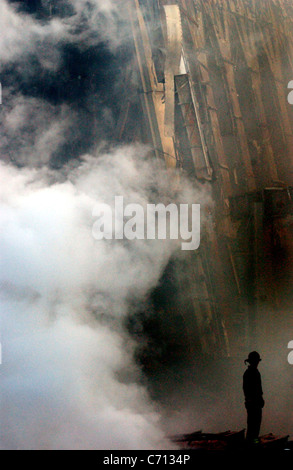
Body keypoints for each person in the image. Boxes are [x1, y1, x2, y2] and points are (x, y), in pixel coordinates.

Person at [243, 351, 265, 444]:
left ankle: (252, 443)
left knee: (254, 425)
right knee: (254, 426)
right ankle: (252, 444)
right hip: (254, 404)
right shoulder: (252, 373)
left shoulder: (250, 372)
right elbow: (251, 390)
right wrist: (257, 400)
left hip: (253, 403)